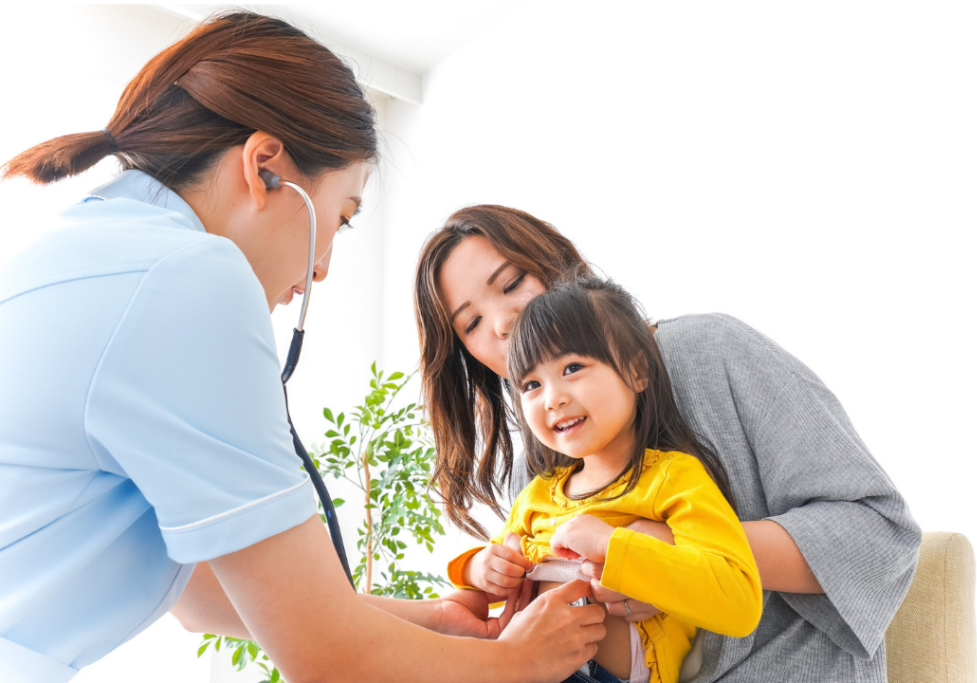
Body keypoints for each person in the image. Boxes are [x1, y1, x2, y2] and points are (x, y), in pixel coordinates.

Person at [0, 14, 606, 683]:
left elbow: (200, 592)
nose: (319, 272)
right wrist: (519, 662)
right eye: (341, 218)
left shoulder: (85, 247)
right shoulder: (186, 277)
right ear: (264, 169)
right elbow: (327, 657)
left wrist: (436, 618)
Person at [414, 205, 922, 683]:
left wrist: (661, 554)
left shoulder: (710, 352)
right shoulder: (542, 469)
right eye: (472, 324)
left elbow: (879, 535)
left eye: (511, 283)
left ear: (559, 268)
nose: (502, 323)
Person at [450, 277, 763, 683]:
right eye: (531, 384)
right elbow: (493, 583)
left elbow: (739, 603)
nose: (552, 398)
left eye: (573, 367)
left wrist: (613, 547)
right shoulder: (537, 495)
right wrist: (478, 568)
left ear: (635, 371)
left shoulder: (673, 478)